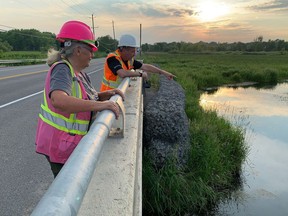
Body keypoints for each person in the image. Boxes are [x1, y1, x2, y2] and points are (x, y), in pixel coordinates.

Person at [35, 20, 124, 178]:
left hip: (70, 143)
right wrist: (101, 106)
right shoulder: (62, 69)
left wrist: (107, 94)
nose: (92, 55)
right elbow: (60, 101)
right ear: (77, 50)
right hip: (61, 144)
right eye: (90, 50)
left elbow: (89, 97)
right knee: (68, 190)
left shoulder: (80, 73)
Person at [100, 34, 176, 92]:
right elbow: (122, 73)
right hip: (108, 96)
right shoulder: (112, 58)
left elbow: (145, 67)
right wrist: (140, 74)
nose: (134, 54)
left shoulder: (130, 60)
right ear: (124, 49)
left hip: (119, 93)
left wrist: (163, 72)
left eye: (135, 51)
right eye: (132, 51)